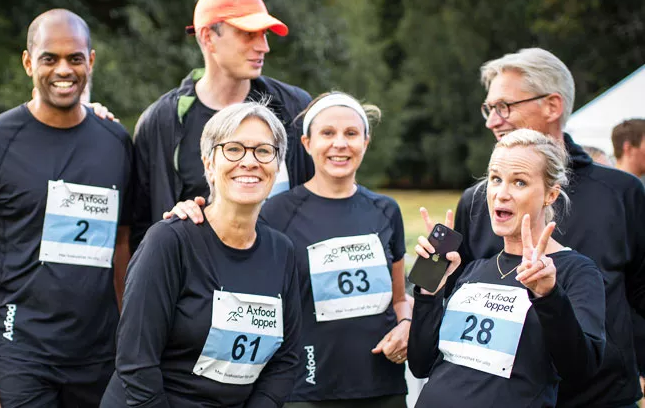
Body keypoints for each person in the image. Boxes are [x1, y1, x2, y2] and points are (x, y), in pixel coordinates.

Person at [168, 92, 411, 406]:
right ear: (307, 143)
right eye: (327, 133)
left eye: (351, 133)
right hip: (305, 390)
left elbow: (399, 298)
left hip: (382, 386)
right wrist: (188, 211)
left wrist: (406, 325)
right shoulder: (275, 212)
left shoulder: (386, 210)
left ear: (366, 141)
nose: (340, 143)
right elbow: (225, 238)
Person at [0, 9, 133, 408]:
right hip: (16, 354)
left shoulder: (116, 143)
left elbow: (122, 247)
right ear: (29, 62)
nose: (63, 70)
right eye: (50, 58)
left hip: (99, 358)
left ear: (91, 61)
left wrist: (127, 342)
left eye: (75, 58)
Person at [454, 47, 645, 407]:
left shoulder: (622, 193)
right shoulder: (478, 200)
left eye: (503, 107)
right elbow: (445, 287)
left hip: (602, 398)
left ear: (552, 106)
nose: (491, 121)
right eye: (489, 108)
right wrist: (411, 309)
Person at [101, 102, 302, 407]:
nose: (249, 161)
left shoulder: (282, 253)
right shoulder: (168, 243)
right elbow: (136, 363)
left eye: (263, 151)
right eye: (233, 149)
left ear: (277, 166)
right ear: (208, 163)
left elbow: (285, 361)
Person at [409, 129, 606, 407]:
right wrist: (431, 287)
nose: (501, 194)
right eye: (495, 179)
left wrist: (548, 296)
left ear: (550, 194)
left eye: (519, 182)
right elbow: (420, 364)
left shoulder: (575, 272)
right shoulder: (473, 270)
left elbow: (581, 370)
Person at [132, 0, 313, 250]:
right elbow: (139, 228)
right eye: (249, 34)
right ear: (208, 36)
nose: (264, 46)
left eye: (264, 34)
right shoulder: (162, 121)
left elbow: (321, 200)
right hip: (197, 284)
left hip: (282, 278)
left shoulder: (295, 107)